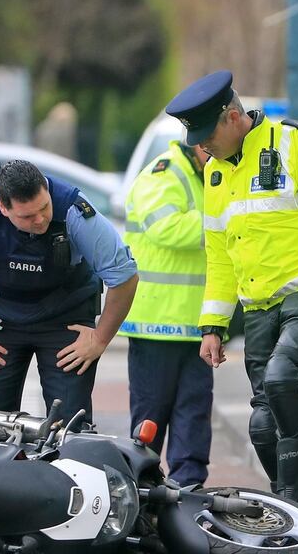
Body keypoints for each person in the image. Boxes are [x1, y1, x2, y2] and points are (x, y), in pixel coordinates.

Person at [165, 70, 298, 508]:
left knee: (281, 382)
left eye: (207, 136)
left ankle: (295, 503)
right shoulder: (216, 174)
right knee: (261, 424)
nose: (202, 148)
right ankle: (291, 502)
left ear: (233, 117)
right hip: (257, 308)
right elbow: (219, 255)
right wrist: (212, 325)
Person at [0, 160, 138, 432]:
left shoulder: (74, 211)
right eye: (27, 217)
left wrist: (100, 339)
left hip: (64, 319)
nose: (40, 220)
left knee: (71, 427)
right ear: (3, 207)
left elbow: (125, 276)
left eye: (44, 208)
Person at [118, 139, 212, 487]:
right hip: (156, 322)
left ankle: (189, 486)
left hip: (196, 322)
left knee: (194, 410)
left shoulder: (202, 174)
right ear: (201, 143)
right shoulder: (163, 173)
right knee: (151, 415)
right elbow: (166, 227)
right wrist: (221, 220)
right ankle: (142, 489)